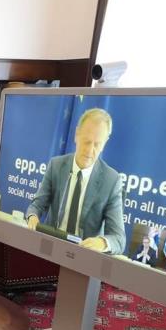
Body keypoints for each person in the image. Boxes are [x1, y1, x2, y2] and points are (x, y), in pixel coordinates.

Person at [25, 108, 126, 255]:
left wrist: (102, 243)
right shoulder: (56, 165)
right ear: (77, 135)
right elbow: (37, 205)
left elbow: (118, 239)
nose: (90, 150)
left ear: (105, 143)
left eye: (97, 144)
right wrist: (32, 217)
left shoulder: (112, 181)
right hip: (50, 247)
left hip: (84, 256)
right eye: (87, 142)